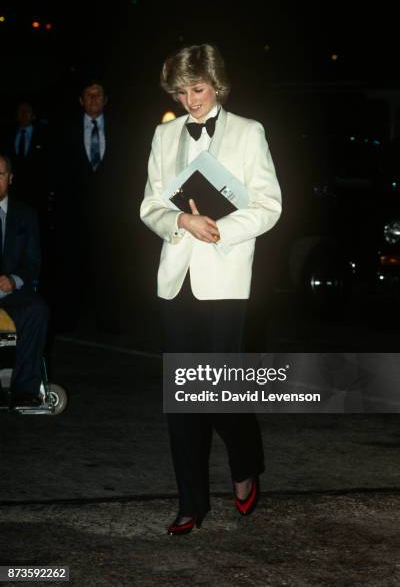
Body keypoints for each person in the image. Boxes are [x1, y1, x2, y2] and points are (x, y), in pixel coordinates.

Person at [140, 43, 282, 535]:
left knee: (220, 390)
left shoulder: (248, 132)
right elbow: (149, 205)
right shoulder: (164, 135)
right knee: (182, 395)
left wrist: (219, 229)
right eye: (180, 92)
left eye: (197, 89)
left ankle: (245, 463)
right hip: (176, 278)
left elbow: (269, 205)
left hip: (225, 279)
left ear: (217, 85)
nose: (189, 100)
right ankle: (190, 504)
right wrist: (180, 219)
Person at [53, 80, 126, 333]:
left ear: (106, 100)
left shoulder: (122, 129)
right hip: (74, 216)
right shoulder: (64, 131)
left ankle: (109, 323)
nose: (94, 99)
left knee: (109, 268)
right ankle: (70, 320)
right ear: (81, 100)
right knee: (72, 267)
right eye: (88, 95)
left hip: (111, 218)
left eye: (98, 95)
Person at [0, 154, 49, 409]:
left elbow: (33, 262)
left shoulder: (26, 215)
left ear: (10, 178)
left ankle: (25, 388)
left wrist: (13, 280)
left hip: (11, 293)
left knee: (37, 310)